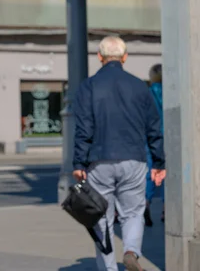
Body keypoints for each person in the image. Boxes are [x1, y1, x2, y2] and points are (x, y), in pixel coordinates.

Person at [72, 36, 165, 271]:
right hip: (134, 158)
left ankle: (109, 268)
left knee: (101, 217)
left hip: (98, 159)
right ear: (125, 57)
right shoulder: (139, 86)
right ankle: (132, 251)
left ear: (99, 57)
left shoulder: (88, 86)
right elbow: (153, 127)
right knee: (133, 212)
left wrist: (78, 163)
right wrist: (159, 163)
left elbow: (83, 127)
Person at [146, 63, 164, 225]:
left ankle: (146, 203)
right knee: (170, 173)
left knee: (151, 172)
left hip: (151, 136)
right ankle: (167, 209)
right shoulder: (171, 92)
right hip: (170, 135)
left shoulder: (149, 93)